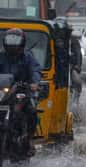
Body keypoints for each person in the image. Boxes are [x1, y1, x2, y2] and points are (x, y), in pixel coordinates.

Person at [0, 28, 41, 156]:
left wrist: (34, 83)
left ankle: (29, 140)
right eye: (10, 40)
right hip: (3, 91)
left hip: (21, 91)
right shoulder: (1, 56)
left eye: (15, 41)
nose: (12, 44)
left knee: (32, 111)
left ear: (22, 43)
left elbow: (35, 70)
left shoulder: (28, 57)